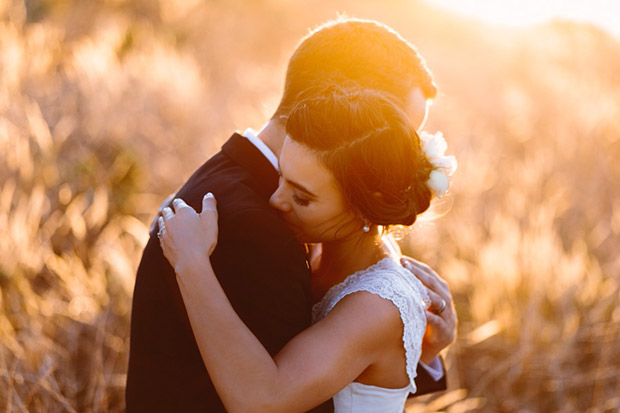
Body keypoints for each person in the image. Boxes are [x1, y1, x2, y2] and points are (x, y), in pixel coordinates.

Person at [126, 18, 456, 412]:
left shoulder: (249, 194)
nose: (403, 161)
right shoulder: (258, 231)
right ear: (344, 109)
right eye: (394, 134)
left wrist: (414, 348)